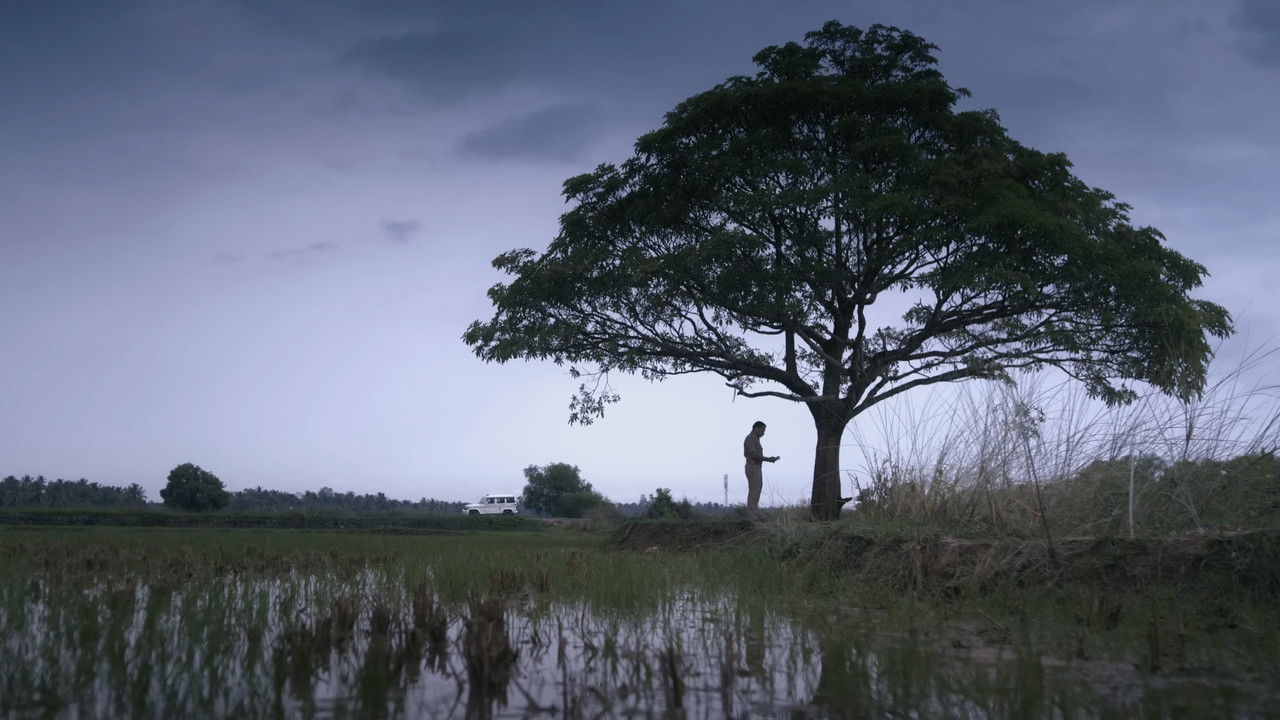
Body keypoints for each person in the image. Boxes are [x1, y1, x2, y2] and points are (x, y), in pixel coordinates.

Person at [743, 421, 779, 517]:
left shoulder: (755, 439)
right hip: (753, 466)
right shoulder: (750, 438)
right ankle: (752, 516)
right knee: (754, 491)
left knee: (756, 490)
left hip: (756, 467)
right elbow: (753, 455)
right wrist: (769, 459)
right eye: (763, 430)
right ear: (756, 428)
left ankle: (754, 514)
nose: (764, 433)